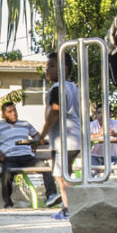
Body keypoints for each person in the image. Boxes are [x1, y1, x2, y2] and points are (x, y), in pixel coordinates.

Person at [36, 51, 85, 215]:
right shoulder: (73, 87)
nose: (47, 70)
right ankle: (69, 206)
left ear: (64, 68)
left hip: (64, 141)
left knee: (61, 176)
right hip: (74, 138)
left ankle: (70, 208)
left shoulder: (58, 88)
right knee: (64, 174)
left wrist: (41, 136)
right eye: (46, 66)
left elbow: (54, 113)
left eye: (51, 66)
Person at [0, 100, 54, 208]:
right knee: (7, 172)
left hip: (27, 157)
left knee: (46, 168)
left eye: (14, 110)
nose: (13, 113)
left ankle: (51, 196)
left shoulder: (25, 124)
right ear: (4, 114)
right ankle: (8, 203)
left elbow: (37, 137)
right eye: (10, 111)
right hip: (10, 157)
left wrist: (36, 142)